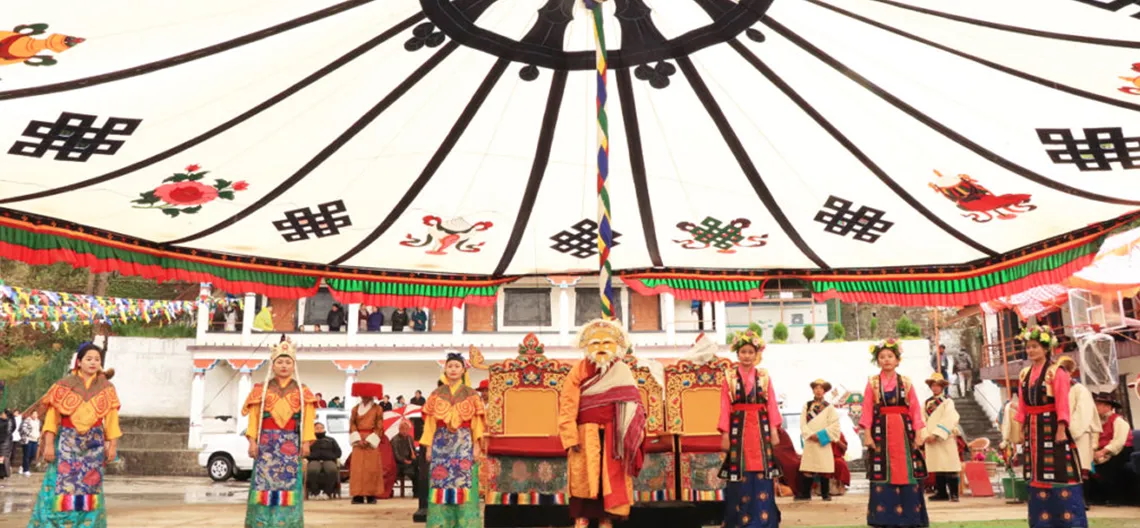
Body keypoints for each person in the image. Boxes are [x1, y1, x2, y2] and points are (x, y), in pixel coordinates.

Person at [558, 319, 647, 528]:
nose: (601, 348)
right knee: (584, 477)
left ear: (617, 346)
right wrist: (570, 436)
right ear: (586, 346)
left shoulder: (622, 370)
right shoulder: (578, 370)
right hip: (585, 433)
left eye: (607, 343)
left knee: (610, 476)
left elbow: (634, 403)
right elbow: (567, 404)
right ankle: (582, 518)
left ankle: (607, 518)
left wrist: (631, 432)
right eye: (595, 343)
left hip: (613, 434)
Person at [27, 342, 122, 528]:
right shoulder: (63, 386)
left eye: (97, 360)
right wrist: (48, 444)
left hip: (94, 445)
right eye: (89, 359)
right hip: (66, 443)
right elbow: (52, 418)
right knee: (61, 487)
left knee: (90, 488)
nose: (93, 362)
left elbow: (111, 420)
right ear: (79, 362)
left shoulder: (106, 388)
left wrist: (112, 445)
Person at [241, 337, 317, 528]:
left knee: (289, 487)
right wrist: (252, 441)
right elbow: (254, 418)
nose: (284, 366)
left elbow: (308, 420)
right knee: (263, 486)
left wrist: (306, 442)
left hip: (291, 444)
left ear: (294, 365)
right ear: (273, 365)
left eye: (288, 362)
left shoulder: (303, 391)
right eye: (280, 362)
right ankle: (262, 523)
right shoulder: (261, 390)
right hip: (266, 444)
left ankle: (287, 523)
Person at [1015, 327, 1086, 528]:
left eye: (1035, 347)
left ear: (1046, 348)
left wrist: (1061, 428)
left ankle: (1069, 521)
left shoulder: (1057, 371)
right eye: (1028, 347)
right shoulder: (1024, 374)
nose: (1030, 351)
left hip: (1052, 425)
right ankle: (1041, 522)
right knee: (1036, 473)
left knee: (1059, 471)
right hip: (1033, 427)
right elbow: (1022, 405)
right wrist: (1020, 428)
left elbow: (1062, 401)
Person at [860, 338, 929, 528]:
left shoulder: (906, 382)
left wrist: (919, 433)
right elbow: (867, 409)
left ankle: (911, 517)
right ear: (878, 361)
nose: (886, 360)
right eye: (882, 357)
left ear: (897, 360)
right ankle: (884, 518)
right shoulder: (873, 382)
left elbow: (914, 409)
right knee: (883, 470)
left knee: (907, 469)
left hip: (904, 431)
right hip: (881, 431)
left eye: (890, 356)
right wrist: (867, 434)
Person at [716, 328, 781, 526]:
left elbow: (771, 403)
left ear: (756, 354)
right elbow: (725, 406)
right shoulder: (729, 377)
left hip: (761, 429)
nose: (746, 356)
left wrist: (774, 430)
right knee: (741, 472)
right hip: (738, 429)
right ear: (737, 354)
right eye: (743, 352)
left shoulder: (764, 376)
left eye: (750, 352)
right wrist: (725, 433)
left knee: (762, 471)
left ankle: (763, 520)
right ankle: (740, 520)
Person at [421, 350, 487, 528]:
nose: (453, 369)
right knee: (439, 485)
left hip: (464, 443)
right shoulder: (436, 393)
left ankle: (465, 524)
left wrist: (477, 446)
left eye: (457, 366)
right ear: (445, 369)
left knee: (463, 484)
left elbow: (477, 423)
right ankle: (441, 523)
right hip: (440, 444)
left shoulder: (471, 394)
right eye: (450, 366)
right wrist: (428, 447)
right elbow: (430, 423)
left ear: (463, 370)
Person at [1055, 356, 1100, 481]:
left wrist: (1069, 431)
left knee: (1079, 469)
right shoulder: (1058, 389)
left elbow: (1083, 413)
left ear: (1070, 372)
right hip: (1062, 434)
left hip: (1079, 433)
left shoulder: (1080, 389)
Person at [1087, 393, 1135, 506]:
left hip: (1121, 450)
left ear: (1108, 407)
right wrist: (1093, 452)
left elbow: (1118, 442)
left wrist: (1104, 452)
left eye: (1099, 404)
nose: (1096, 407)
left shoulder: (1119, 421)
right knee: (1089, 467)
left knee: (1111, 467)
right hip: (1102, 450)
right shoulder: (1096, 422)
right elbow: (1094, 439)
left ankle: (1116, 498)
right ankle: (1097, 498)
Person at [922, 373, 962, 502]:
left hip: (944, 437)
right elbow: (922, 419)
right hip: (930, 437)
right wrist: (925, 435)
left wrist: (937, 433)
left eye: (938, 385)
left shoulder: (947, 401)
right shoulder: (926, 403)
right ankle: (941, 492)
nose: (935, 388)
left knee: (950, 466)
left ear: (942, 387)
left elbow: (950, 418)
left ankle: (954, 493)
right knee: (937, 466)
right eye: (933, 385)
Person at [797, 378, 839, 502]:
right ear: (813, 390)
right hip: (810, 440)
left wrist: (820, 436)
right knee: (808, 467)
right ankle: (806, 494)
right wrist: (810, 435)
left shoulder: (829, 407)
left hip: (823, 441)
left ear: (824, 391)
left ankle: (825, 494)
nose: (818, 390)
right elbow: (802, 423)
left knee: (824, 467)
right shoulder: (807, 405)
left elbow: (834, 425)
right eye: (816, 388)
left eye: (821, 388)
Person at [348, 382, 385, 504]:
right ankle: (357, 495)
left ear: (372, 396)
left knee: (371, 469)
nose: (364, 398)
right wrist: (357, 439)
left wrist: (369, 440)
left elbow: (379, 426)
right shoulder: (355, 409)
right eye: (363, 396)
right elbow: (352, 424)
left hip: (371, 441)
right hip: (358, 440)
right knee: (357, 469)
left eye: (367, 396)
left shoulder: (378, 409)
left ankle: (371, 495)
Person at [306, 422, 342, 499]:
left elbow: (338, 452)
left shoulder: (331, 440)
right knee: (312, 470)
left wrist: (331, 456)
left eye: (321, 428)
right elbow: (305, 453)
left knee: (332, 470)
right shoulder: (309, 441)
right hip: (314, 460)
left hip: (328, 460)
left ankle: (327, 492)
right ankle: (315, 492)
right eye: (317, 428)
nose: (319, 430)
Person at [391, 420, 418, 496]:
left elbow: (413, 451)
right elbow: (396, 455)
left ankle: (416, 492)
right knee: (412, 471)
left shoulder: (410, 438)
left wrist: (414, 455)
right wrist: (404, 461)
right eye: (403, 429)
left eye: (406, 429)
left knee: (418, 470)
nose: (405, 431)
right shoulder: (395, 440)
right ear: (399, 429)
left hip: (409, 463)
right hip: (399, 464)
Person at [21, 410, 41, 476]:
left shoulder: (38, 421)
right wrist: (30, 434)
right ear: (31, 414)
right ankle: (26, 470)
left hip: (35, 440)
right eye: (33, 414)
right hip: (28, 440)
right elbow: (23, 429)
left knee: (33, 455)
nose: (35, 415)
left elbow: (38, 430)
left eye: (36, 414)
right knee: (27, 455)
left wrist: (38, 436)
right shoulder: (27, 420)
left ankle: (23, 466)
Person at [0, 410, 11, 482]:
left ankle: (2, 473)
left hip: (3, 443)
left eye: (4, 414)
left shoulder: (7, 422)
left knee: (1, 459)